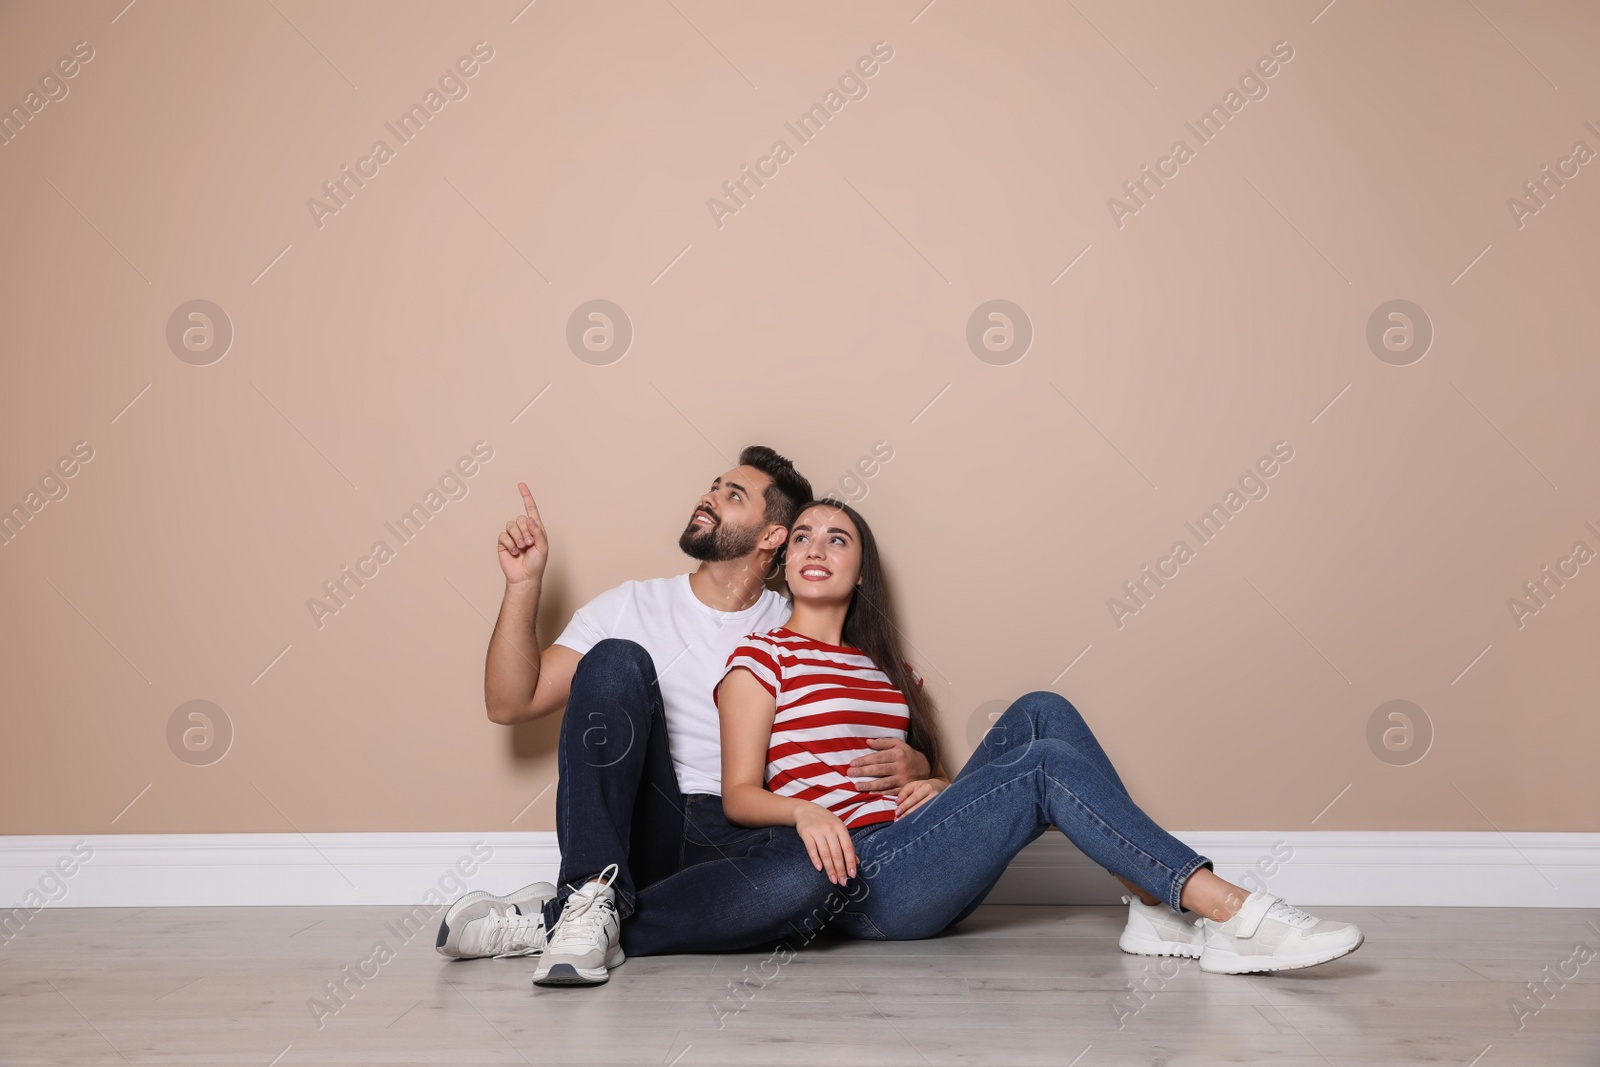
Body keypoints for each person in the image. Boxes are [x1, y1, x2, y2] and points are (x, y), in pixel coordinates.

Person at [715, 499, 1365, 974]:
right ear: (785, 562)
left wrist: (933, 778)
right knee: (1045, 765)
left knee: (1041, 709)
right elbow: (739, 794)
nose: (815, 549)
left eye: (837, 539)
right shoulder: (762, 656)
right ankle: (1230, 909)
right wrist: (804, 808)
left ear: (860, 573)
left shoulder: (891, 673)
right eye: (801, 537)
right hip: (863, 884)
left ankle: (1156, 908)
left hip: (921, 851)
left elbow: (942, 790)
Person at [434, 447, 935, 986]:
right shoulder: (629, 605)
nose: (709, 497)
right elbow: (510, 702)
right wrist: (523, 585)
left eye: (733, 494)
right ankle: (590, 893)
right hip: (652, 820)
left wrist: (919, 764)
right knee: (615, 659)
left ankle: (561, 923)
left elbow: (853, 712)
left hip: (746, 831)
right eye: (714, 486)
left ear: (772, 537)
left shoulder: (801, 623)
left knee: (814, 877)